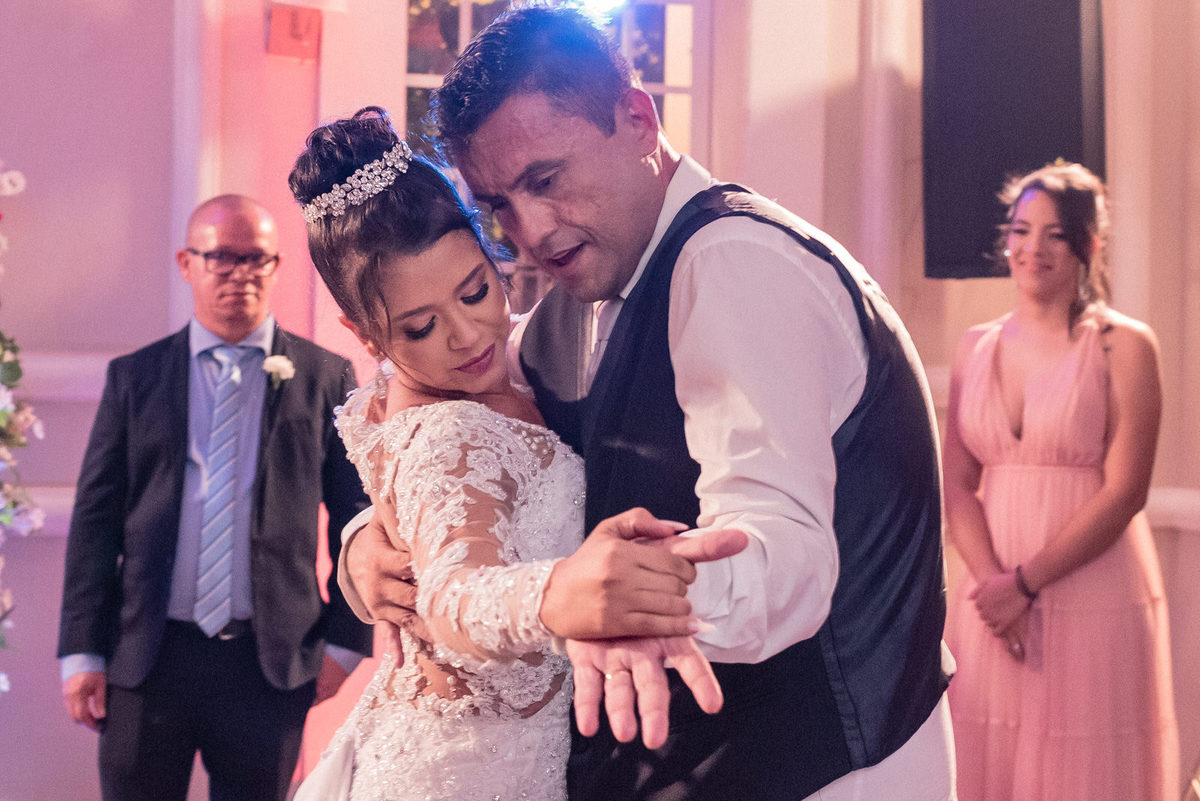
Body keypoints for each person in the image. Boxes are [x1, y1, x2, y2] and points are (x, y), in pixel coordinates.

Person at [341, 7, 955, 801]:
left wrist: (625, 600)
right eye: (499, 205)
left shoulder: (737, 261)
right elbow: (443, 424)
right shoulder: (568, 308)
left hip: (828, 772)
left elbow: (785, 559)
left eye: (546, 180)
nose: (529, 231)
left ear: (637, 118)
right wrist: (368, 542)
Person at [286, 107, 745, 801]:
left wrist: (361, 542)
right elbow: (452, 594)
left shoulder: (512, 359)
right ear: (364, 333)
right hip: (462, 777)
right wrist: (561, 593)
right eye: (421, 327)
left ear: (487, 250)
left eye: (475, 291)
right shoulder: (447, 433)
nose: (468, 335)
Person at [56, 194, 373, 801]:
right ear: (188, 263)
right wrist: (81, 653)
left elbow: (354, 519)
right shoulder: (136, 377)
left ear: (276, 265)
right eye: (221, 257)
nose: (240, 274)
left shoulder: (325, 376)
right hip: (147, 658)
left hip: (268, 664)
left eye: (256, 258)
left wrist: (346, 643)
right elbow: (95, 523)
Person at [943, 161, 1179, 800]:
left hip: (1089, 588)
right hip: (989, 601)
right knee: (985, 759)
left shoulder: (1124, 345)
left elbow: (1126, 491)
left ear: (1088, 245)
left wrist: (1025, 584)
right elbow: (957, 482)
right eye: (1022, 230)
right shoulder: (974, 347)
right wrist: (995, 588)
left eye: (1054, 234)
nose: (1032, 248)